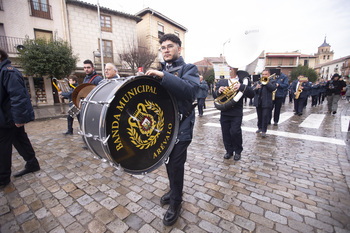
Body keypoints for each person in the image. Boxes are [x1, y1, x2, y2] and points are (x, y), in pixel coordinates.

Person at [145, 34, 199, 226]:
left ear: (179, 49)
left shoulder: (189, 68)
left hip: (182, 127)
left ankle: (176, 202)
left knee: (176, 165)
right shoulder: (161, 70)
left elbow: (190, 91)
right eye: (163, 48)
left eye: (170, 46)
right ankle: (173, 190)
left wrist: (162, 76)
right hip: (164, 127)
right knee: (167, 162)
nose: (166, 50)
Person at [0, 49, 40, 187]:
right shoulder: (4, 71)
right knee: (20, 140)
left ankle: (3, 178)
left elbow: (18, 97)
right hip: (7, 117)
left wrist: (18, 119)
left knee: (3, 147)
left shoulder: (8, 71)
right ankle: (32, 163)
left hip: (8, 118)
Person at [213, 67, 255, 158]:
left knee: (235, 132)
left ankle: (238, 151)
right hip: (225, 112)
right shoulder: (222, 82)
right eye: (230, 68)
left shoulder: (242, 81)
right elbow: (214, 95)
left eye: (232, 68)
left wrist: (241, 87)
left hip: (236, 112)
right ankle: (229, 151)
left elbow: (252, 94)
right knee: (225, 133)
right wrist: (219, 91)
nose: (230, 69)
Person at [252, 70, 276, 138]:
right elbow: (252, 89)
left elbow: (273, 88)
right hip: (259, 101)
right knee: (259, 116)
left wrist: (266, 82)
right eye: (263, 74)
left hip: (266, 102)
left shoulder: (272, 81)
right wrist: (256, 88)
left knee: (265, 116)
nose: (264, 75)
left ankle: (264, 130)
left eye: (265, 74)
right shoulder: (258, 81)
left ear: (269, 75)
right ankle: (259, 127)